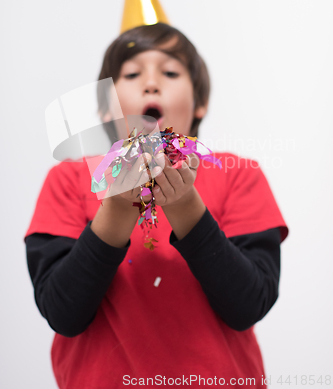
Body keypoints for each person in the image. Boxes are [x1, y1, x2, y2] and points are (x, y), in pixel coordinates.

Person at [25, 22, 289, 389]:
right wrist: (116, 208)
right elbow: (63, 313)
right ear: (106, 109)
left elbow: (248, 305)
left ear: (200, 101)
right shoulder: (68, 180)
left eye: (170, 71)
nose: (152, 83)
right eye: (132, 74)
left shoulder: (238, 175)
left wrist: (184, 205)